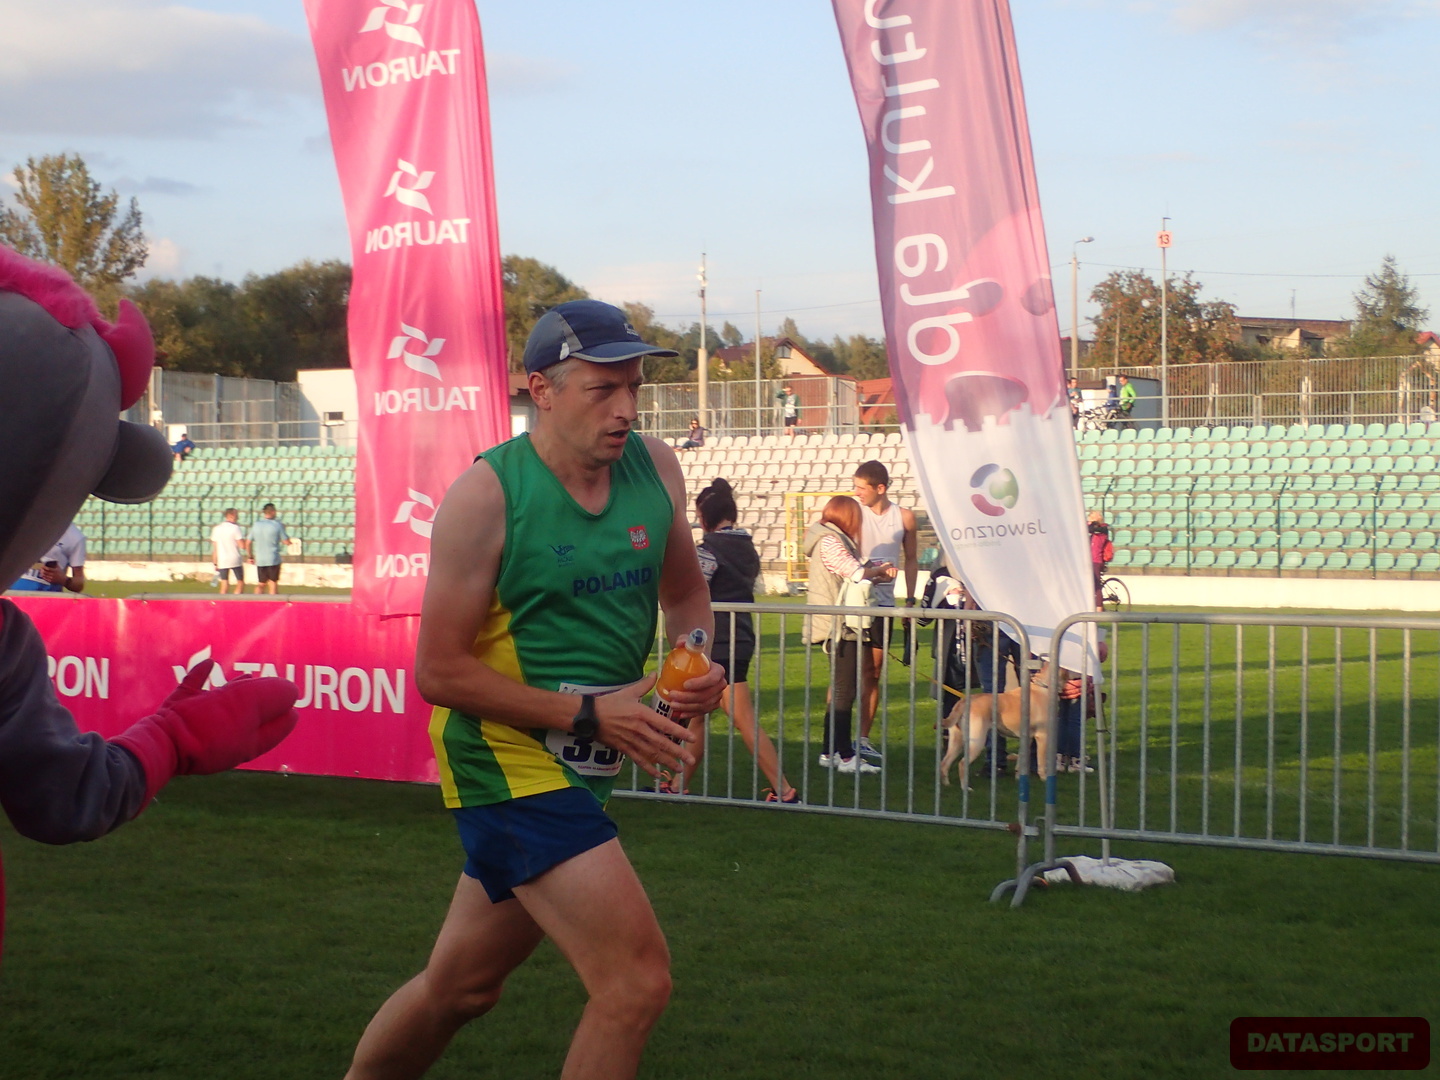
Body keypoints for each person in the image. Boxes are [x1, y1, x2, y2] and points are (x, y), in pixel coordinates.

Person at [343, 299, 726, 1080]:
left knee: (462, 988)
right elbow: (437, 672)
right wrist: (590, 713)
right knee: (634, 984)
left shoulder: (656, 466)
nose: (625, 409)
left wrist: (686, 678)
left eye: (634, 388)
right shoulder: (486, 496)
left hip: (587, 760)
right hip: (504, 762)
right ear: (541, 390)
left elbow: (687, 596)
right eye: (602, 389)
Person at [675, 478, 797, 802]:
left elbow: (691, 589)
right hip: (740, 635)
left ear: (705, 517)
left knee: (742, 719)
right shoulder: (748, 548)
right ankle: (676, 785)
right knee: (697, 716)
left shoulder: (708, 551)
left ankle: (784, 790)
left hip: (719, 640)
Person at [802, 495, 893, 776]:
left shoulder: (829, 539)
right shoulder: (830, 541)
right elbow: (854, 573)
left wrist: (873, 574)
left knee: (842, 690)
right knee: (844, 691)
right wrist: (878, 571)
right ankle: (845, 756)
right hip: (840, 627)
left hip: (840, 625)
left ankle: (829, 752)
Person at [851, 460, 917, 764]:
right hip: (855, 602)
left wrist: (911, 600)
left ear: (880, 488)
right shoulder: (855, 514)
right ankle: (836, 739)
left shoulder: (904, 517)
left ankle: (862, 739)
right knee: (844, 673)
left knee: (873, 672)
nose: (856, 493)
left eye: (861, 488)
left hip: (885, 605)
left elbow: (912, 559)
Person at [10, 521, 86, 593]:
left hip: (45, 598)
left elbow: (79, 584)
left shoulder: (75, 536)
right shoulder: (22, 523)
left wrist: (64, 580)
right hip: (9, 595)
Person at [247, 503, 291, 595]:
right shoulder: (277, 525)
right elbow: (286, 541)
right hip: (272, 558)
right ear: (273, 512)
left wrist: (250, 556)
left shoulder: (256, 525)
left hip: (260, 559)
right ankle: (273, 602)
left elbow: (248, 542)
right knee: (272, 582)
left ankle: (255, 600)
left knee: (261, 583)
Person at [210, 509, 247, 595]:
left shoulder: (217, 529)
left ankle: (222, 601)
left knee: (224, 582)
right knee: (240, 581)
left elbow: (215, 548)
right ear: (231, 515)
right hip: (234, 558)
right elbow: (242, 546)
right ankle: (237, 599)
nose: (238, 517)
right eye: (236, 515)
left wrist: (215, 563)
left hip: (222, 559)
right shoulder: (235, 528)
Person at [1088, 510, 1113, 610]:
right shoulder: (1095, 529)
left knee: (1096, 585)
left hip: (1096, 560)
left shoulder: (1103, 529)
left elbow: (1091, 528)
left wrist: (1090, 523)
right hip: (1091, 559)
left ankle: (1099, 608)